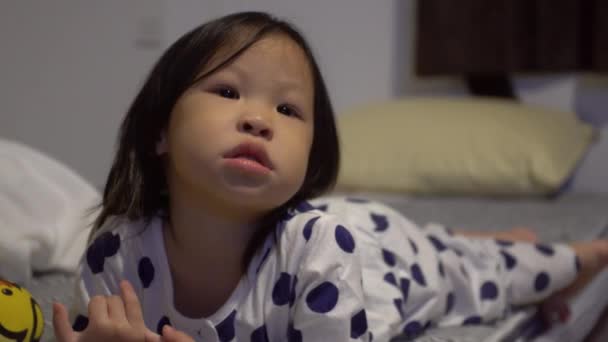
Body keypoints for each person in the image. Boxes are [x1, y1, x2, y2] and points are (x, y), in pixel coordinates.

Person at [52, 11, 608, 342]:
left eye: (288, 110)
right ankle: (474, 239)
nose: (258, 118)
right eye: (226, 91)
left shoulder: (322, 249)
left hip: (381, 255)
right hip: (354, 230)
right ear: (159, 133)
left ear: (311, 161)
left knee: (474, 272)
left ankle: (585, 254)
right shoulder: (115, 257)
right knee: (456, 247)